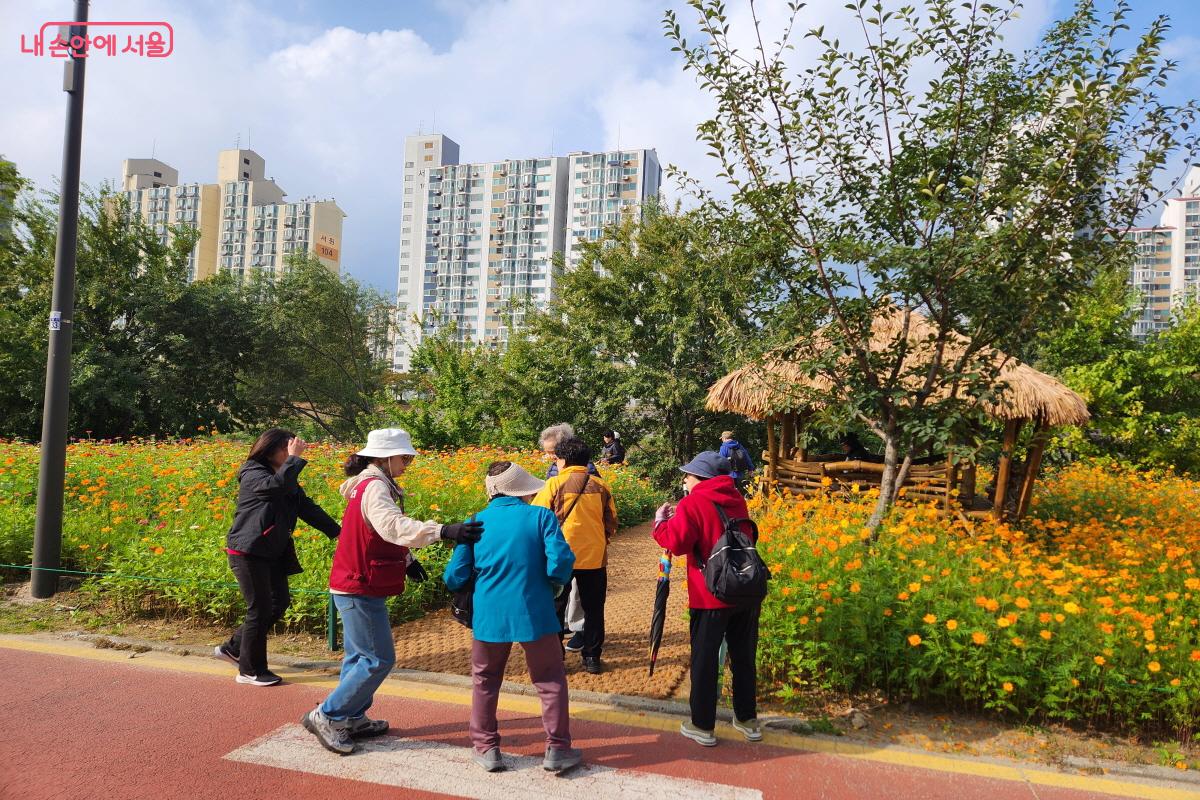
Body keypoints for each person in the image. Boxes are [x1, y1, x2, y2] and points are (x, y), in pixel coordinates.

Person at [301, 428, 484, 756]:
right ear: (384, 458)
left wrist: (407, 559)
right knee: (377, 659)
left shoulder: (370, 485)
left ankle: (351, 717)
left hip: (356, 581)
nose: (408, 462)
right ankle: (328, 715)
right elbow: (392, 526)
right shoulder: (373, 488)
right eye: (404, 457)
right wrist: (443, 531)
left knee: (359, 657)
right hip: (359, 583)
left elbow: (380, 532)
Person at [444, 461, 580, 774]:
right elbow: (560, 560)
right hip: (536, 610)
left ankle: (487, 748)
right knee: (549, 680)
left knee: (485, 680)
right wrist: (554, 586)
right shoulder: (541, 516)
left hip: (490, 615)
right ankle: (558, 749)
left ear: (492, 490)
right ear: (522, 491)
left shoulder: (475, 521)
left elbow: (454, 576)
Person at [652, 451, 763, 747]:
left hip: (710, 595)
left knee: (704, 660)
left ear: (701, 477)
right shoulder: (737, 499)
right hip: (746, 591)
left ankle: (702, 725)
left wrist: (660, 523)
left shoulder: (693, 502)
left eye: (688, 475)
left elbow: (676, 543)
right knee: (743, 657)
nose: (685, 479)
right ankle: (747, 720)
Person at [217, 428, 341, 687]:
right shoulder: (252, 472)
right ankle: (250, 670)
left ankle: (234, 648)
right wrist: (295, 460)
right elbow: (274, 489)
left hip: (272, 550)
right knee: (259, 608)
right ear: (268, 449)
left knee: (278, 602)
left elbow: (307, 508)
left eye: (292, 448)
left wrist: (339, 532)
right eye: (286, 448)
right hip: (248, 551)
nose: (291, 452)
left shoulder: (286, 477)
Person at [533, 436, 618, 674]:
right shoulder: (601, 485)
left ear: (563, 460)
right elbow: (612, 521)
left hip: (559, 558)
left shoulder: (553, 485)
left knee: (555, 608)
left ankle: (555, 657)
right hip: (594, 556)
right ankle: (592, 658)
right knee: (593, 608)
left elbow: (537, 518)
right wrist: (601, 539)